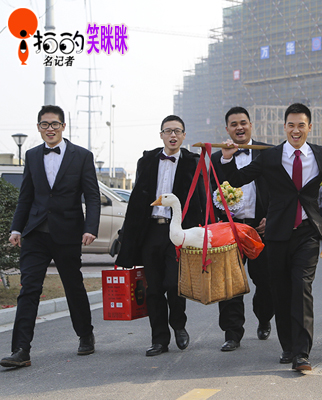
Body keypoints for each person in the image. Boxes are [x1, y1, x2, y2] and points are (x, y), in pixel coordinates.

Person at [220, 103, 322, 371]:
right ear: (285, 127)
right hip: (277, 234)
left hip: (308, 232)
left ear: (309, 127)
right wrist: (227, 159)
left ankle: (302, 352)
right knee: (281, 291)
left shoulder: (321, 155)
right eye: (291, 125)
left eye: (301, 125)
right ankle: (288, 346)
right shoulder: (271, 156)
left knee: (302, 288)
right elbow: (237, 179)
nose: (296, 130)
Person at [1, 105, 100, 368]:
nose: (50, 129)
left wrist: (90, 227)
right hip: (35, 234)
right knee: (29, 289)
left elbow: (92, 196)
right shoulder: (32, 155)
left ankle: (85, 335)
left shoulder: (82, 156)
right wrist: (16, 229)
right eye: (44, 124)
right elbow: (26, 196)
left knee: (73, 286)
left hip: (67, 233)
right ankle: (21, 350)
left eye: (55, 124)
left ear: (63, 126)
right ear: (38, 128)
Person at [115, 115, 206, 357]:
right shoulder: (146, 160)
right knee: (153, 289)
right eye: (168, 131)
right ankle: (159, 339)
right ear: (161, 135)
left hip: (177, 232)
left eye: (177, 131)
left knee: (174, 284)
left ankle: (179, 325)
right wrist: (126, 234)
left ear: (184, 135)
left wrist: (204, 231)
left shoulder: (193, 162)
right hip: (151, 231)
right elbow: (137, 199)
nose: (173, 135)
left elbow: (202, 198)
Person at [210, 106, 274, 352]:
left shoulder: (268, 153)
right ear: (227, 129)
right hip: (230, 229)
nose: (239, 127)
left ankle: (264, 317)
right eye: (234, 124)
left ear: (251, 125)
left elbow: (280, 190)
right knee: (230, 282)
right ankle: (232, 333)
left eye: (243, 123)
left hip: (261, 228)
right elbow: (210, 192)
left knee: (266, 281)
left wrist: (271, 217)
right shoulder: (218, 158)